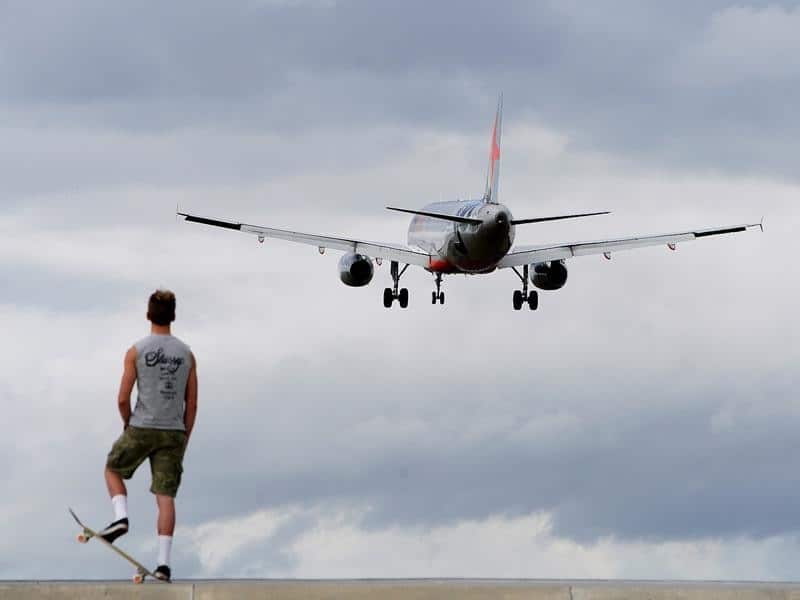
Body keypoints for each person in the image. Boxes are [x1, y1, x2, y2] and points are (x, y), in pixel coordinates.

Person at [99, 289, 198, 582]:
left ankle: (120, 518)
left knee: (112, 469)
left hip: (142, 425)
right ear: (174, 316)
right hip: (174, 431)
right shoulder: (187, 355)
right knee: (165, 496)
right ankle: (163, 565)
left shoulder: (136, 351)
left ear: (148, 315)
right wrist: (184, 436)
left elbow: (121, 398)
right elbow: (192, 403)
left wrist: (129, 425)